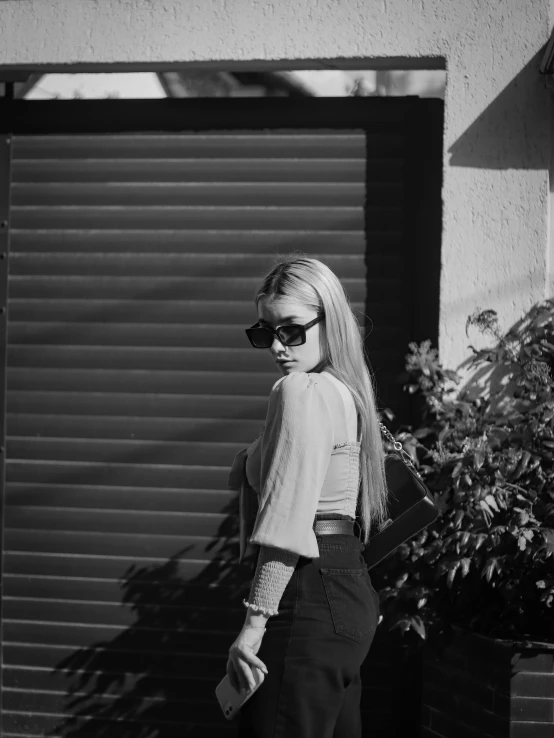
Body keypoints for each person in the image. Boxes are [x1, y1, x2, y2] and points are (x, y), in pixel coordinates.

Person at [226, 255, 388, 738]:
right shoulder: (347, 393)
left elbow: (287, 519)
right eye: (265, 331)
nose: (277, 346)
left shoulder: (301, 391)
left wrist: (253, 627)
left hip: (307, 587)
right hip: (346, 588)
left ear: (329, 321)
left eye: (292, 330)